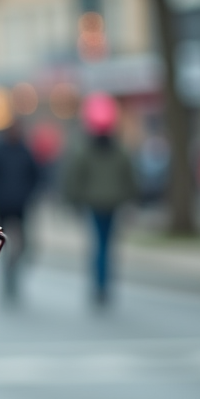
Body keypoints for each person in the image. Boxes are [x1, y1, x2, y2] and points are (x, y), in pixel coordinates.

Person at [61, 93, 136, 308]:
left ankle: (99, 284)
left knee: (99, 245)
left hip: (93, 203)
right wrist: (130, 199)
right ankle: (104, 284)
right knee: (108, 245)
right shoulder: (120, 150)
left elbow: (75, 177)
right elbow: (129, 177)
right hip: (113, 202)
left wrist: (73, 200)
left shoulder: (85, 150)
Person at [0, 122, 41, 300]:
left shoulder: (25, 151)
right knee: (0, 243)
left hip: (20, 204)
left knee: (24, 244)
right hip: (1, 204)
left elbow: (36, 175)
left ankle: (13, 269)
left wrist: (29, 194)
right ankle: (6, 274)